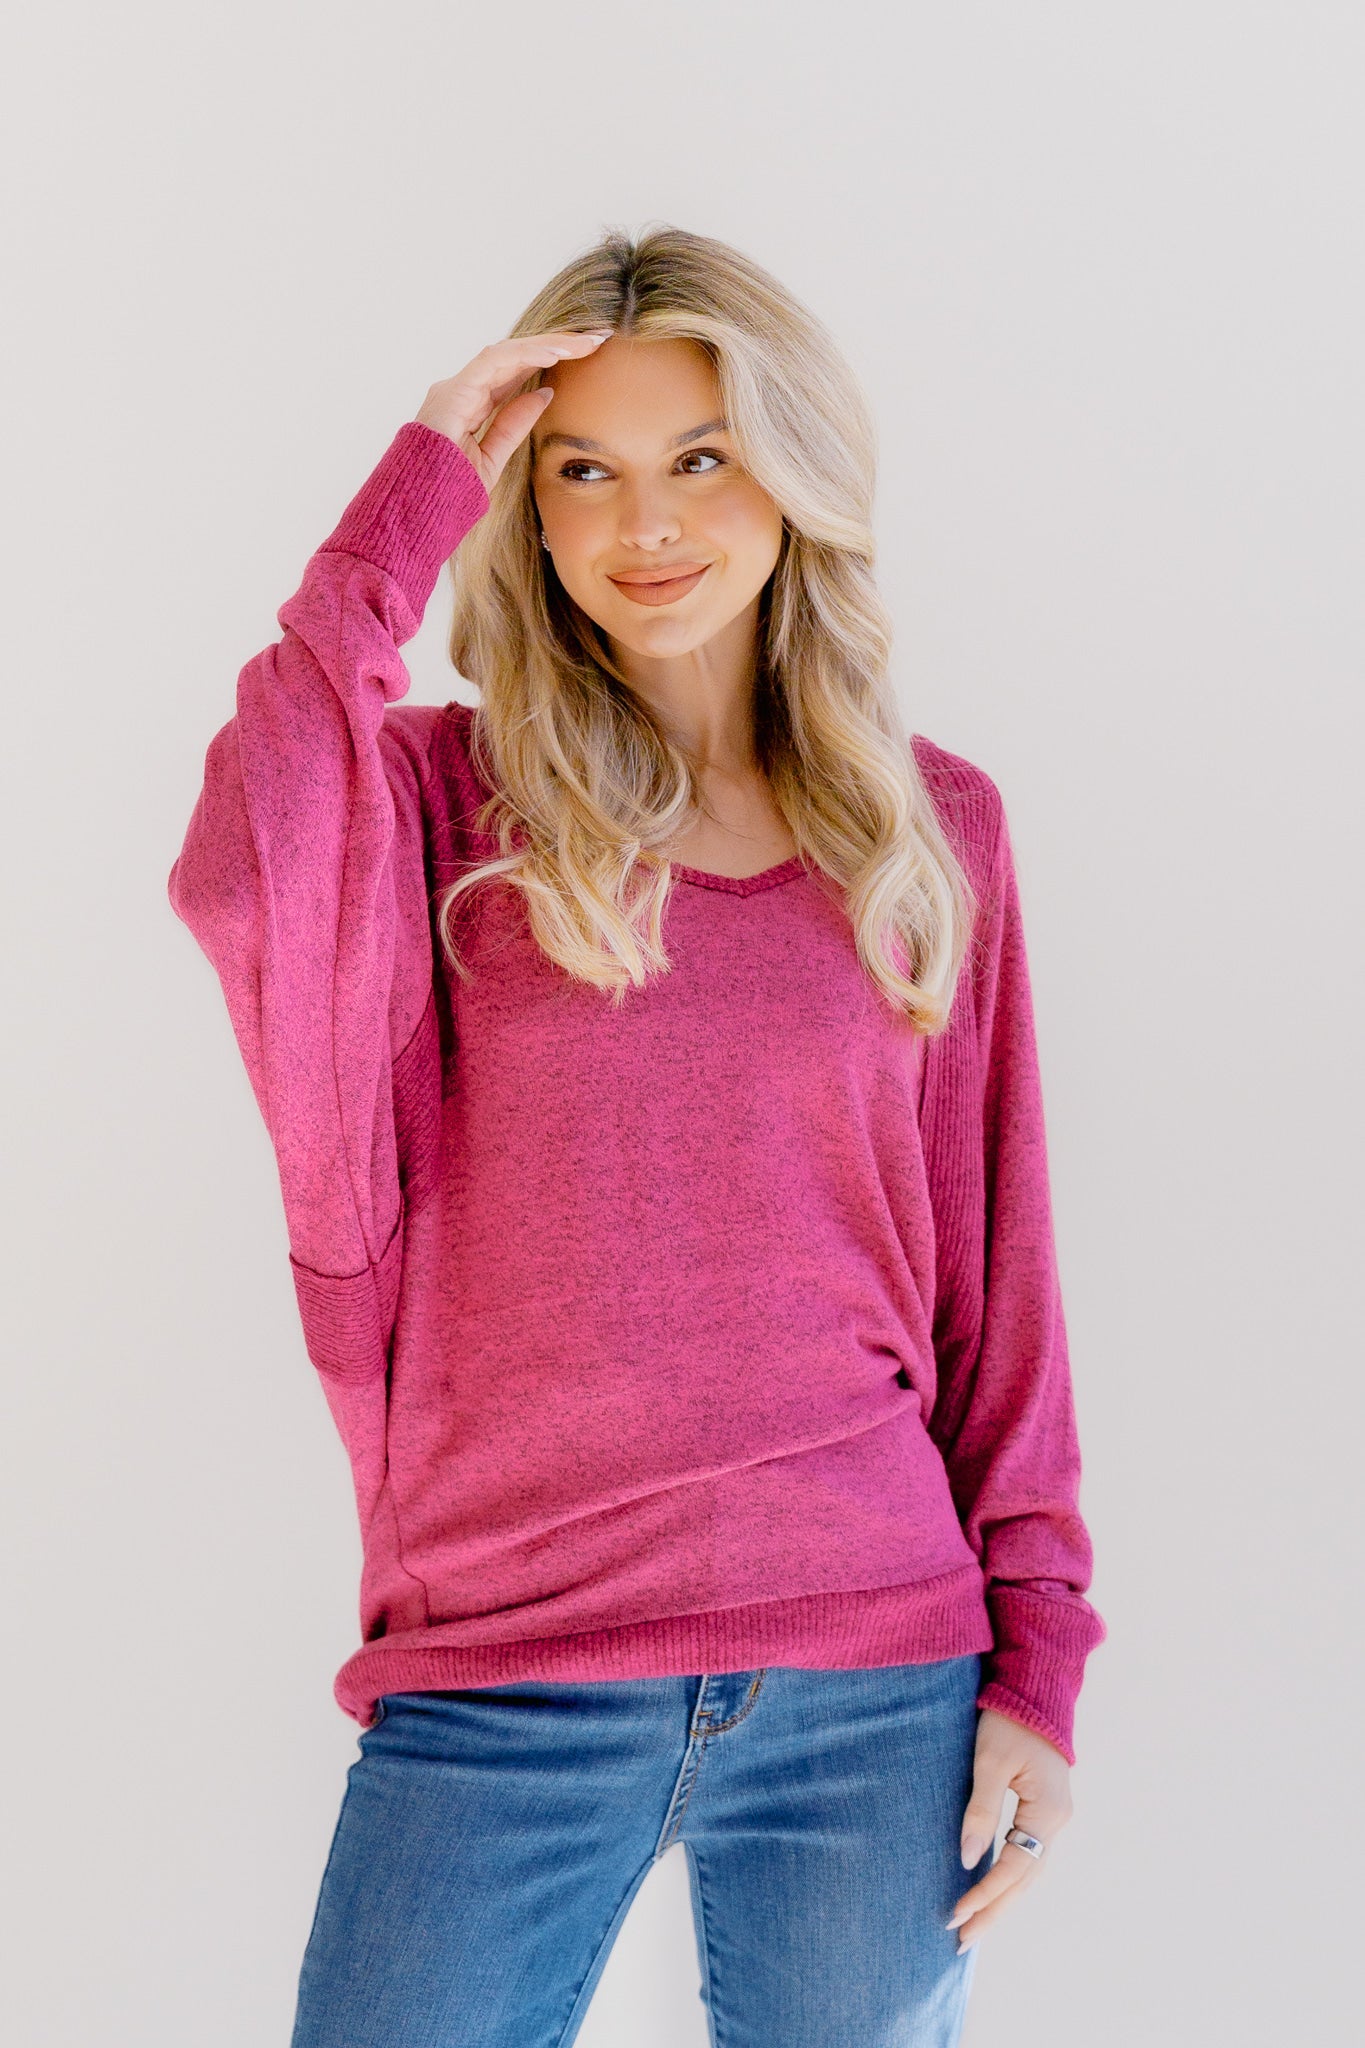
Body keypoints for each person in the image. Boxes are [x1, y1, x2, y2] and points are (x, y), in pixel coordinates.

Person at [168, 224, 1106, 2048]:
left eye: (699, 457)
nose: (644, 523)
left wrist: (1039, 1662)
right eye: (581, 471)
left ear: (791, 473)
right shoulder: (438, 801)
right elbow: (243, 863)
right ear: (523, 511)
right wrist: (412, 492)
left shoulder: (929, 834)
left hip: (874, 1664)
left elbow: (1001, 1285)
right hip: (501, 1664)